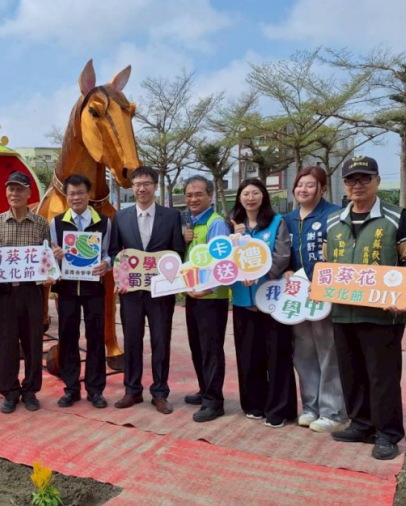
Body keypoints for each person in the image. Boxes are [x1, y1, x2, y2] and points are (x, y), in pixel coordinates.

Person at [325, 156, 406, 461]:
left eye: (365, 178)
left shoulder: (396, 217)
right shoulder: (334, 222)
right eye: (352, 179)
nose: (358, 185)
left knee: (383, 375)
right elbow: (327, 265)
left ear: (378, 181)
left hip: (382, 315)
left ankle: (387, 433)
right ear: (344, 185)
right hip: (343, 311)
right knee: (351, 372)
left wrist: (403, 291)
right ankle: (361, 424)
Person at [109, 165, 185, 414]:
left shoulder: (171, 216)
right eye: (137, 184)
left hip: (161, 292)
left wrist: (170, 278)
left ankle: (160, 392)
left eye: (147, 184)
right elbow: (114, 252)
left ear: (155, 186)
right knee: (131, 340)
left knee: (161, 340)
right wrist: (119, 277)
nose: (142, 188)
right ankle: (132, 390)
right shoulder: (121, 217)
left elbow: (177, 253)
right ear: (132, 188)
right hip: (131, 293)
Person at [283, 167, 346, 433]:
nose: (303, 190)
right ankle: (310, 406)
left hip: (325, 295)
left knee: (328, 350)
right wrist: (285, 269)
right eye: (300, 185)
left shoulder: (334, 215)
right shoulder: (287, 219)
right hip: (297, 297)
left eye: (310, 185)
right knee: (303, 352)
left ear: (322, 188)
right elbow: (282, 253)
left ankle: (333, 411)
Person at [230, 178, 296, 428]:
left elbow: (282, 255)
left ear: (263, 196)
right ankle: (253, 404)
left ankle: (280, 408)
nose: (250, 197)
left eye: (255, 192)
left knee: (277, 354)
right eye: (245, 193)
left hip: (271, 299)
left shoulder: (278, 222)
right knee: (249, 355)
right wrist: (235, 241)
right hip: (243, 300)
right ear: (239, 198)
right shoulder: (233, 225)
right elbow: (225, 260)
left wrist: (262, 273)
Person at [0, 171, 51, 414]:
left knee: (33, 342)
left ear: (29, 193)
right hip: (4, 294)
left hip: (31, 293)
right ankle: (10, 392)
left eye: (20, 189)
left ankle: (30, 391)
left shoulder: (42, 224)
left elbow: (47, 260)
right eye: (10, 189)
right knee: (5, 344)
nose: (14, 193)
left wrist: (49, 272)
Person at [49, 174, 111, 409]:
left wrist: (107, 263)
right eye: (72, 193)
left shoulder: (104, 222)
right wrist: (55, 259)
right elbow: (49, 258)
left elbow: (109, 252)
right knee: (67, 337)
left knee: (96, 338)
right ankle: (71, 388)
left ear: (89, 195)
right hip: (66, 289)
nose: (76, 197)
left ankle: (95, 390)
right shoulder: (56, 223)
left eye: (80, 193)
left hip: (94, 288)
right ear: (67, 197)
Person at [181, 175, 231, 422]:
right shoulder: (191, 224)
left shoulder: (216, 223)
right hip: (193, 295)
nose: (193, 199)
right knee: (197, 347)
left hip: (211, 297)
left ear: (210, 196)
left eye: (198, 194)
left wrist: (208, 289)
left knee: (211, 350)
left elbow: (222, 264)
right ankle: (204, 390)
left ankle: (214, 402)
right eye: (189, 195)